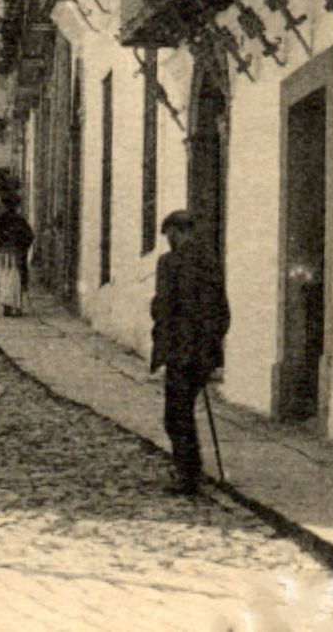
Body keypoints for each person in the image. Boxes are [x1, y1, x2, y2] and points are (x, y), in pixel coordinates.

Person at [149, 210, 231, 495]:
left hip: (180, 351)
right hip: (201, 353)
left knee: (176, 416)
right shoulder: (210, 263)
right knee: (181, 412)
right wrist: (210, 345)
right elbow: (221, 313)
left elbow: (163, 308)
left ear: (179, 232)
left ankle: (188, 475)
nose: (169, 240)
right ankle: (189, 471)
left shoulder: (169, 263)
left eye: (170, 234)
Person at [0, 181, 35, 317]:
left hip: (2, 254)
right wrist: (21, 246)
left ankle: (7, 306)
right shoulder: (20, 221)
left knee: (4, 280)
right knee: (15, 280)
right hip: (16, 255)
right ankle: (16, 307)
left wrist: (0, 243)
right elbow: (29, 236)